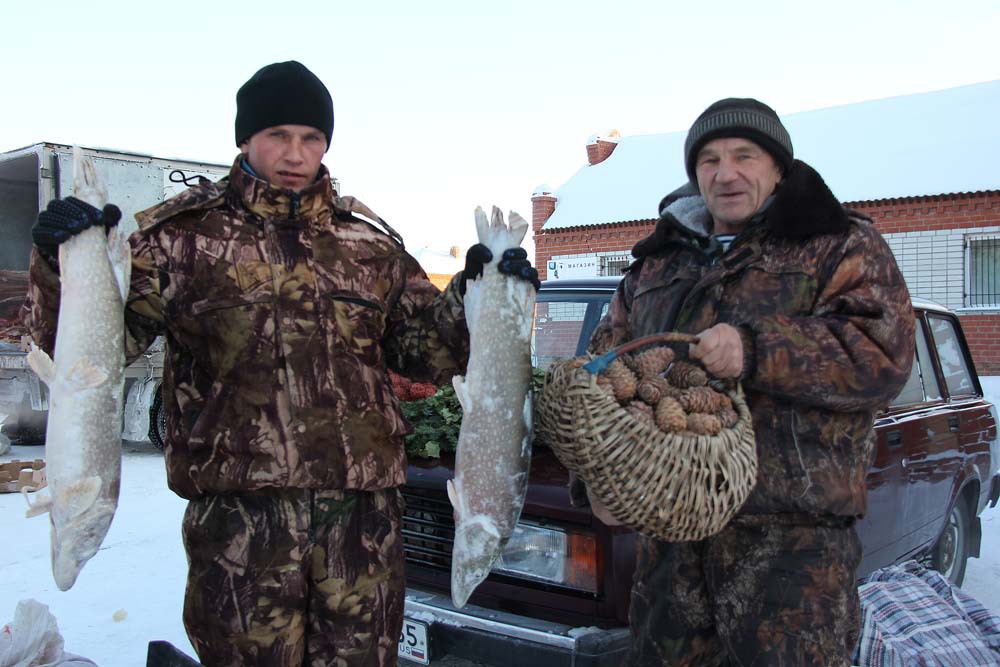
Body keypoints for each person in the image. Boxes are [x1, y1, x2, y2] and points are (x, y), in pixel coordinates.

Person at [23, 60, 537, 667]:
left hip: (362, 527)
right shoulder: (182, 239)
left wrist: (478, 296)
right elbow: (86, 352)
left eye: (312, 138)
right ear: (245, 139)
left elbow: (428, 352)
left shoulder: (367, 246)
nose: (296, 153)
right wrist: (63, 265)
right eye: (278, 136)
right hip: (242, 528)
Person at [586, 98, 915, 666]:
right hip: (670, 541)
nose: (726, 173)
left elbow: (883, 355)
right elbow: (600, 370)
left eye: (745, 156)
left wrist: (758, 348)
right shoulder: (658, 263)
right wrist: (596, 478)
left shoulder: (837, 243)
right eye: (708, 160)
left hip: (791, 547)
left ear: (779, 167)